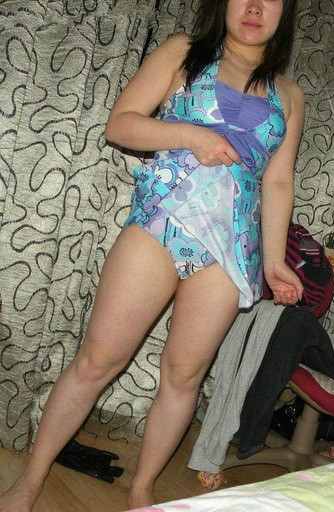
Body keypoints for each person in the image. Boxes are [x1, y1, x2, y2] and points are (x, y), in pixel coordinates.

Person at [0, 0, 304, 510]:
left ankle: (142, 491)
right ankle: (29, 480)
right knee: (98, 360)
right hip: (161, 221)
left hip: (230, 247)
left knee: (183, 377)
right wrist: (191, 135)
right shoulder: (184, 51)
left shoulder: (290, 95)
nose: (254, 6)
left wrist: (274, 261)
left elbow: (277, 182)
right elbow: (121, 125)